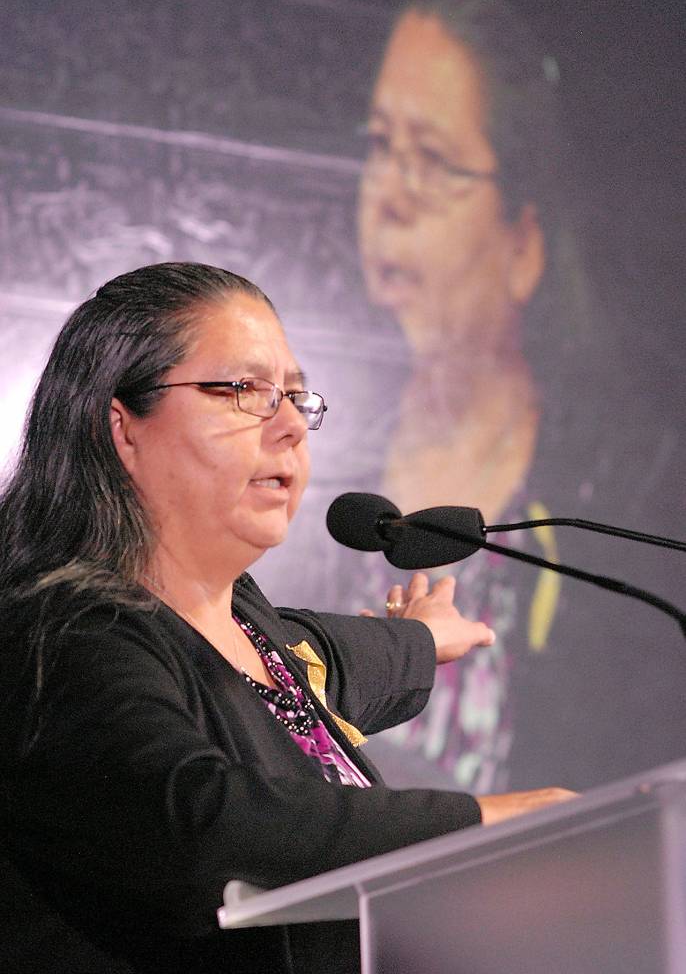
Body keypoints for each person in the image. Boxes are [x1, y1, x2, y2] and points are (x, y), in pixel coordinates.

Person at [0, 262, 572, 973]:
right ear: (124, 428)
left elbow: (338, 657)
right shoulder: (58, 635)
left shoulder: (255, 630)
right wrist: (482, 822)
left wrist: (421, 637)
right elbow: (204, 823)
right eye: (245, 390)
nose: (292, 428)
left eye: (296, 398)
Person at [354, 0, 600, 793]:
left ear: (523, 243)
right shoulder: (309, 471)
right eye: (380, 146)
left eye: (431, 160)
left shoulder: (601, 509)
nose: (389, 197)